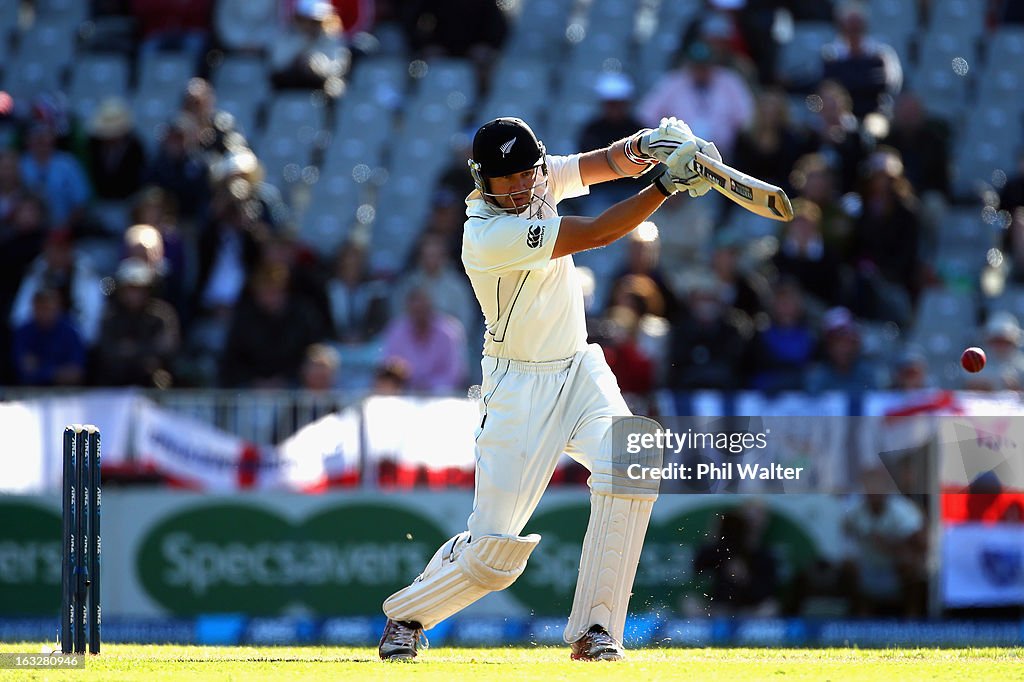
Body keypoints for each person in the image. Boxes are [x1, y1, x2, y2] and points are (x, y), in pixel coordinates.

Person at [378, 115, 720, 661]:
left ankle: (597, 631)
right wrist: (665, 185)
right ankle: (408, 615)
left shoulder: (540, 180)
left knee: (632, 457)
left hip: (578, 368)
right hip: (517, 390)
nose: (518, 188)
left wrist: (649, 147)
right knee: (493, 557)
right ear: (480, 181)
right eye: (503, 180)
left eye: (526, 175)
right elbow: (599, 232)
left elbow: (601, 164)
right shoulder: (486, 234)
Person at [92, 258, 180, 387]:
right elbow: (107, 352)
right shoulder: (110, 317)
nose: (134, 295)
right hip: (115, 383)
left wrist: (132, 349)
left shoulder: (161, 315)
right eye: (129, 289)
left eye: (139, 289)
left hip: (152, 382)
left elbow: (167, 348)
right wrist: (145, 351)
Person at [821, 0, 903, 120]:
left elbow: (892, 85)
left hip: (876, 114)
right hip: (839, 116)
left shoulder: (882, 53)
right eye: (849, 25)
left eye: (857, 25)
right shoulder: (830, 54)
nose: (853, 30)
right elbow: (827, 88)